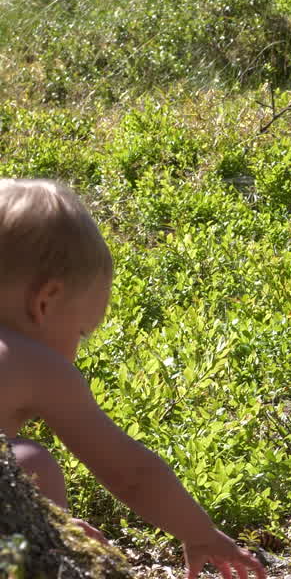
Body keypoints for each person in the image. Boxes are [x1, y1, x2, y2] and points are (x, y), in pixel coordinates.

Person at [0, 178, 266, 579]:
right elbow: (132, 475)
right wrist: (199, 533)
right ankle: (43, 556)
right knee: (31, 463)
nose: (78, 346)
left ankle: (38, 534)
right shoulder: (36, 364)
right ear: (45, 301)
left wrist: (41, 518)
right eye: (82, 332)